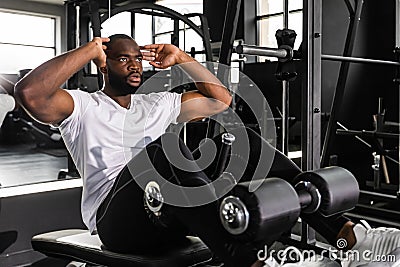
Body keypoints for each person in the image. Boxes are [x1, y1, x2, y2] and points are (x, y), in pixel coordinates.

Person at [14, 34, 400, 267]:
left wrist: (183, 60)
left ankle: (349, 238)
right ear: (104, 64)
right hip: (117, 222)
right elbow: (29, 94)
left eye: (137, 58)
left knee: (237, 137)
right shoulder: (83, 106)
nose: (134, 66)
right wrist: (91, 47)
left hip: (169, 212)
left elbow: (221, 101)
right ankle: (246, 261)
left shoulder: (157, 103)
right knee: (165, 151)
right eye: (121, 58)